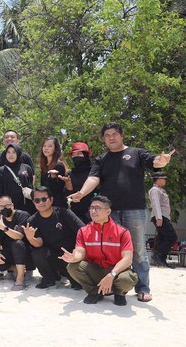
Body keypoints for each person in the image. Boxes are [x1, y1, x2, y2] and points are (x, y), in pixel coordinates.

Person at [69, 122, 174, 302]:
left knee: (139, 251)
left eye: (115, 134)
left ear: (122, 135)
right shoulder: (102, 159)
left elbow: (154, 161)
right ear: (104, 139)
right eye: (107, 135)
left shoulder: (136, 153)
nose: (111, 137)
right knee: (113, 251)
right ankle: (112, 285)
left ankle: (143, 287)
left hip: (135, 210)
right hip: (110, 212)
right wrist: (82, 192)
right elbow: (93, 178)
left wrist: (161, 161)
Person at [60, 196, 139, 306]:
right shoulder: (83, 231)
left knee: (128, 279)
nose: (93, 211)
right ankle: (95, 292)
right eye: (91, 208)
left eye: (97, 208)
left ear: (108, 211)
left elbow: (128, 259)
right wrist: (74, 258)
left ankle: (119, 293)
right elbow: (80, 252)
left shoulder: (122, 232)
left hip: (115, 270)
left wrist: (111, 275)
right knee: (72, 267)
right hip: (95, 269)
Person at [23, 187, 84, 290]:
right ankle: (49, 279)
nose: (41, 203)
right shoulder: (32, 221)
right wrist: (30, 238)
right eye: (37, 200)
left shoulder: (64, 213)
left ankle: (71, 276)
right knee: (37, 252)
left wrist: (78, 252)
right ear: (34, 203)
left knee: (77, 285)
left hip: (71, 255)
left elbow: (83, 231)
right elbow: (39, 243)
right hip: (53, 256)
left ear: (51, 199)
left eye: (44, 199)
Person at [0, 195, 31, 290]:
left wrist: (4, 228)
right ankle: (15, 268)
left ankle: (20, 278)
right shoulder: (0, 220)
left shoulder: (23, 215)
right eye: (2, 207)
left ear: (12, 205)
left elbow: (19, 236)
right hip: (10, 253)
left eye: (7, 205)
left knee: (17, 243)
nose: (5, 209)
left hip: (25, 252)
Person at [58, 142, 94, 223]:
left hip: (93, 214)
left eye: (79, 153)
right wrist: (68, 183)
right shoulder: (70, 173)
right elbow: (68, 196)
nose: (76, 156)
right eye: (74, 154)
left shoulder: (94, 173)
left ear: (86, 155)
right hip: (75, 216)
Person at [148, 172, 178, 267]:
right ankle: (158, 256)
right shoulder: (154, 190)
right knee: (171, 236)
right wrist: (159, 217)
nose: (165, 180)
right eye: (163, 178)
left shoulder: (161, 190)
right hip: (160, 217)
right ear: (158, 179)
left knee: (163, 237)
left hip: (164, 217)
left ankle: (162, 260)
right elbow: (155, 204)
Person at [0, 144, 36, 215]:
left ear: (18, 153)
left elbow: (30, 186)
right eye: (8, 152)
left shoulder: (27, 168)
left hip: (26, 206)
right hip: (9, 208)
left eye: (14, 152)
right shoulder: (1, 170)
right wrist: (0, 213)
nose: (11, 155)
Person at [38, 136, 67, 207]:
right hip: (46, 203)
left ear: (55, 148)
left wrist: (53, 178)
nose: (46, 148)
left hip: (58, 205)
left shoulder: (58, 165)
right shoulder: (44, 165)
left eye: (50, 146)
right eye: (44, 146)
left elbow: (60, 189)